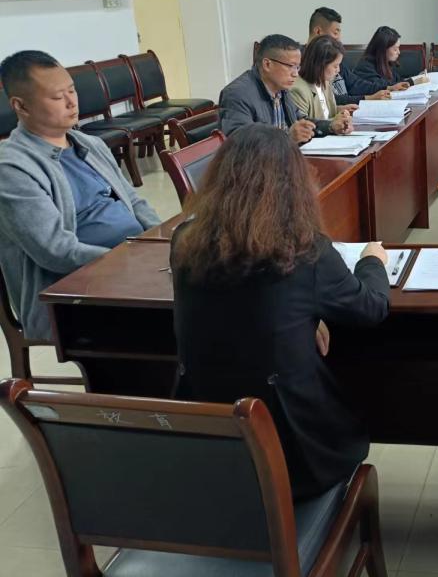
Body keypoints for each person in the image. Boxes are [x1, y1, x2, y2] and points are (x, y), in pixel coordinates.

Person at [170, 124, 391, 499]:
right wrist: (373, 261)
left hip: (207, 444)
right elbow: (371, 307)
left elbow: (241, 305)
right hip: (296, 458)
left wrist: (304, 317)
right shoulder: (304, 249)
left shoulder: (184, 241)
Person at [0, 50, 161, 340]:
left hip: (130, 267)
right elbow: (55, 251)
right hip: (74, 292)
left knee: (214, 287)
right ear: (21, 106)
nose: (72, 102)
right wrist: (132, 261)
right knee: (181, 320)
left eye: (72, 90)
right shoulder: (12, 169)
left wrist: (161, 242)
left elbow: (134, 201)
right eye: (57, 97)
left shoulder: (89, 144)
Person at [219, 34, 350, 141]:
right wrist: (288, 137)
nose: (296, 74)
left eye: (297, 67)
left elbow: (301, 121)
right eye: (291, 66)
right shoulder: (237, 94)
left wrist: (331, 126)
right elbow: (241, 144)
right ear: (267, 64)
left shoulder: (281, 89)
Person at [306, 6, 388, 104]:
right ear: (318, 31)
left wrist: (387, 88)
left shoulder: (335, 56)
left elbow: (355, 84)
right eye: (335, 33)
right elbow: (329, 100)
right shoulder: (304, 62)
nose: (339, 39)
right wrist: (368, 98)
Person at [290, 35, 371, 123]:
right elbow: (303, 125)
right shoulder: (299, 91)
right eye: (335, 66)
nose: (338, 70)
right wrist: (333, 123)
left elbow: (325, 112)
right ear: (320, 65)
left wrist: (341, 109)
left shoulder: (325, 82)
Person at [346, 26, 423, 96]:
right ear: (383, 49)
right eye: (395, 49)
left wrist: (417, 77)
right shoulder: (365, 66)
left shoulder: (386, 63)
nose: (399, 52)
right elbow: (382, 86)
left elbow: (398, 81)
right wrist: (413, 81)